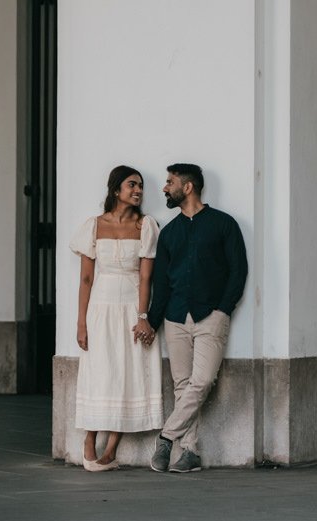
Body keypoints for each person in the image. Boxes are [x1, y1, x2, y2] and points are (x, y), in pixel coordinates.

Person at [147, 162, 248, 474]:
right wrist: (152, 321)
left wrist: (223, 309)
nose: (165, 188)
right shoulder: (169, 233)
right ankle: (189, 451)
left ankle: (165, 437)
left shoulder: (223, 224)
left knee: (202, 381)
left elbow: (238, 270)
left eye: (170, 182)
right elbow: (161, 282)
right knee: (182, 384)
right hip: (175, 317)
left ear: (187, 187)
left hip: (211, 316)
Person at [67, 165, 163, 471]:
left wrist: (143, 315)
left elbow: (147, 278)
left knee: (128, 371)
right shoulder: (94, 226)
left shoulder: (145, 225)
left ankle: (111, 448)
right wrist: (81, 322)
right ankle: (88, 439)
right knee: (100, 370)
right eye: (132, 185)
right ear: (115, 189)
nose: (138, 191)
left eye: (141, 186)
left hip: (131, 306)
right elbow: (85, 279)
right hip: (100, 307)